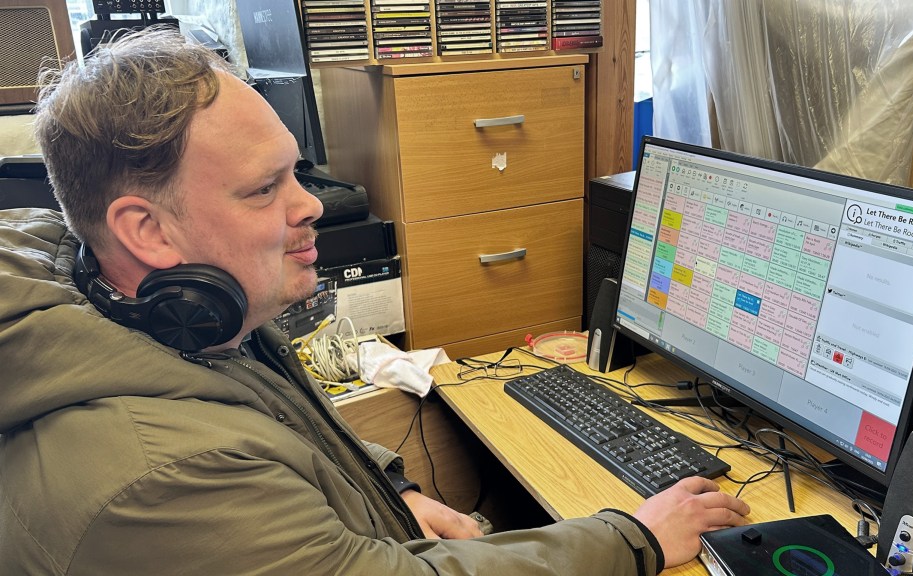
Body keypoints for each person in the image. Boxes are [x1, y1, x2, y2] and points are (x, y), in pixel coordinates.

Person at [0, 27, 749, 575]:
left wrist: (390, 488)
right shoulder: (156, 478)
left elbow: (277, 426)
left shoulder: (175, 312)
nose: (312, 207)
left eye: (296, 175)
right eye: (264, 189)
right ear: (146, 230)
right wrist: (636, 538)